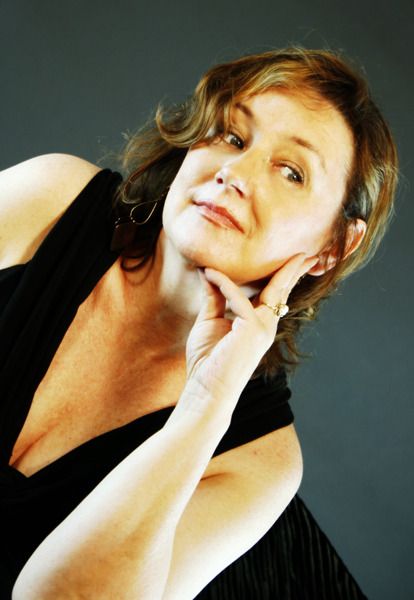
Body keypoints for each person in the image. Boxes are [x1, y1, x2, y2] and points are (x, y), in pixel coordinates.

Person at [0, 47, 397, 599]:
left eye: (291, 172)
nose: (235, 173)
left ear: (334, 246)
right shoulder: (49, 199)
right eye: (233, 136)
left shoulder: (261, 463)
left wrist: (204, 409)